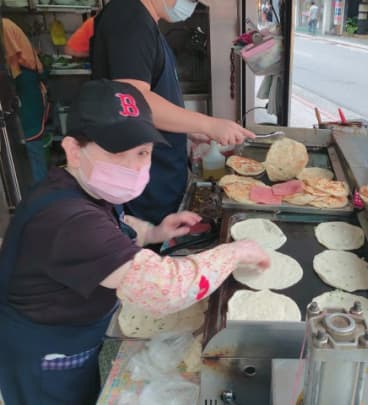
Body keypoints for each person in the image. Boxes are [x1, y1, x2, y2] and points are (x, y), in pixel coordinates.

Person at [0, 79, 269, 405]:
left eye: (143, 152)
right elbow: (164, 289)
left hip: (71, 331)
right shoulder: (69, 221)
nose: (134, 166)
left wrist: (153, 233)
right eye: (117, 152)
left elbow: (115, 225)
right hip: (44, 353)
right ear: (73, 149)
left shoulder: (78, 186)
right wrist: (235, 251)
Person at [92, 0, 255, 225]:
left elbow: (151, 95)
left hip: (159, 173)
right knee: (151, 249)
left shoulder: (142, 19)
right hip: (145, 180)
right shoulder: (129, 18)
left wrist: (188, 129)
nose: (188, 6)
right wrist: (207, 124)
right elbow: (134, 101)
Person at [2, 18, 49, 183]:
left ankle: (40, 195)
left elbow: (12, 68)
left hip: (26, 89)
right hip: (25, 87)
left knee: (31, 142)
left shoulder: (4, 27)